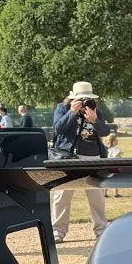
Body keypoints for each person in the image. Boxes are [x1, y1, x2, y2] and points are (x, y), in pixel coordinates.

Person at [50, 81, 111, 243]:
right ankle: (58, 231)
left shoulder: (95, 110)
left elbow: (105, 131)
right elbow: (57, 129)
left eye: (87, 99)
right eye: (81, 99)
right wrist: (71, 112)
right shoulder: (62, 108)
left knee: (96, 196)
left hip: (93, 157)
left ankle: (101, 230)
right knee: (62, 194)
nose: (85, 102)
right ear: (72, 98)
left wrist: (95, 120)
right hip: (68, 157)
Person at [103, 132, 122, 198]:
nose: (117, 141)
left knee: (107, 179)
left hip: (108, 166)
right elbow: (118, 156)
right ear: (113, 141)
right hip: (115, 166)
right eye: (116, 140)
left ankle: (105, 193)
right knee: (116, 180)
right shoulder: (116, 148)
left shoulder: (107, 149)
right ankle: (116, 193)